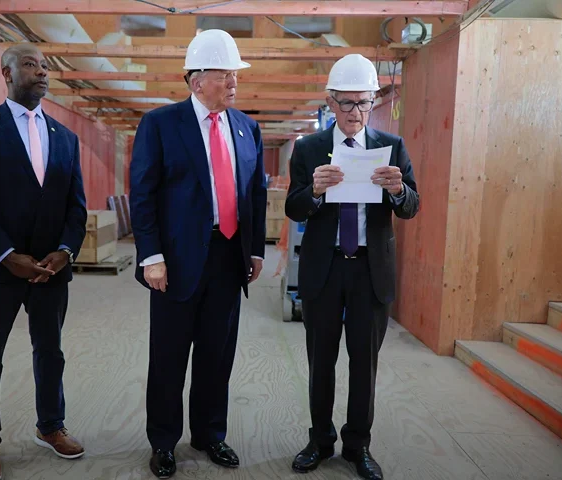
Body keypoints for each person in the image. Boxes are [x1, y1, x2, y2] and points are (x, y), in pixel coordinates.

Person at [129, 29, 267, 479]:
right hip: (177, 261)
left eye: (235, 75)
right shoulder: (161, 124)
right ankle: (163, 442)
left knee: (216, 355)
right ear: (196, 81)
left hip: (229, 258)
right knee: (168, 357)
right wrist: (150, 256)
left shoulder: (248, 128)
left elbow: (255, 194)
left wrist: (256, 248)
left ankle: (210, 434)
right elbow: (143, 195)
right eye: (225, 74)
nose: (233, 82)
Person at [0, 43, 88, 480]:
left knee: (51, 351)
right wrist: (7, 256)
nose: (42, 73)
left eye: (45, 67)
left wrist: (65, 251)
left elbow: (76, 206)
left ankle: (51, 425)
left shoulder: (65, 138)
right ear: (6, 73)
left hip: (51, 270)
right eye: (31, 65)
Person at [285, 54, 420, 480]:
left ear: (373, 101)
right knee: (320, 361)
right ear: (330, 101)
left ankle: (357, 446)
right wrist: (315, 192)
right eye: (346, 104)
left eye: (363, 104)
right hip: (324, 270)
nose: (355, 113)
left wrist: (398, 190)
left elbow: (413, 206)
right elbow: (293, 207)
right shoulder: (308, 149)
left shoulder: (391, 147)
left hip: (368, 271)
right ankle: (320, 441)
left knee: (364, 363)